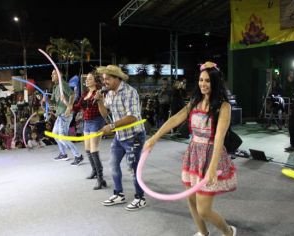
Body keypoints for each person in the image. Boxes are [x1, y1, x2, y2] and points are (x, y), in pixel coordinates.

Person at [144, 61, 237, 236]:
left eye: (208, 81)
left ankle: (228, 232)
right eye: (201, 80)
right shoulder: (195, 101)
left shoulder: (224, 106)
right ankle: (203, 233)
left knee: (204, 210)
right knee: (192, 202)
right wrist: (154, 138)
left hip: (211, 156)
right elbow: (176, 118)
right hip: (194, 154)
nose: (203, 84)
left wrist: (212, 167)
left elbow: (219, 138)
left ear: (215, 83)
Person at [95, 65, 147, 211]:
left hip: (134, 136)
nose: (105, 82)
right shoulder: (110, 93)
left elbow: (133, 117)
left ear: (117, 79)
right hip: (120, 136)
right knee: (113, 164)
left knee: (133, 168)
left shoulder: (130, 92)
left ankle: (140, 198)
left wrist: (111, 126)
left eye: (108, 79)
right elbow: (105, 114)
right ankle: (119, 194)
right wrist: (99, 101)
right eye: (103, 79)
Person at [72, 71, 107, 189]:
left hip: (97, 121)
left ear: (95, 81)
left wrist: (99, 99)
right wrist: (67, 102)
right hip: (86, 122)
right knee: (87, 149)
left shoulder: (99, 92)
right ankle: (95, 171)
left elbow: (104, 108)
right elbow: (76, 107)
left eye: (90, 78)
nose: (86, 80)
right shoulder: (85, 94)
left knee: (93, 150)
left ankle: (101, 179)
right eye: (86, 78)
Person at [47, 69, 83, 163]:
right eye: (52, 74)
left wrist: (69, 106)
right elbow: (54, 103)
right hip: (59, 114)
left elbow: (72, 94)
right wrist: (46, 100)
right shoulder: (55, 87)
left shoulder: (63, 84)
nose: (52, 76)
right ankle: (63, 154)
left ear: (60, 75)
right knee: (55, 134)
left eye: (54, 74)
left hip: (65, 113)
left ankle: (78, 155)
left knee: (62, 136)